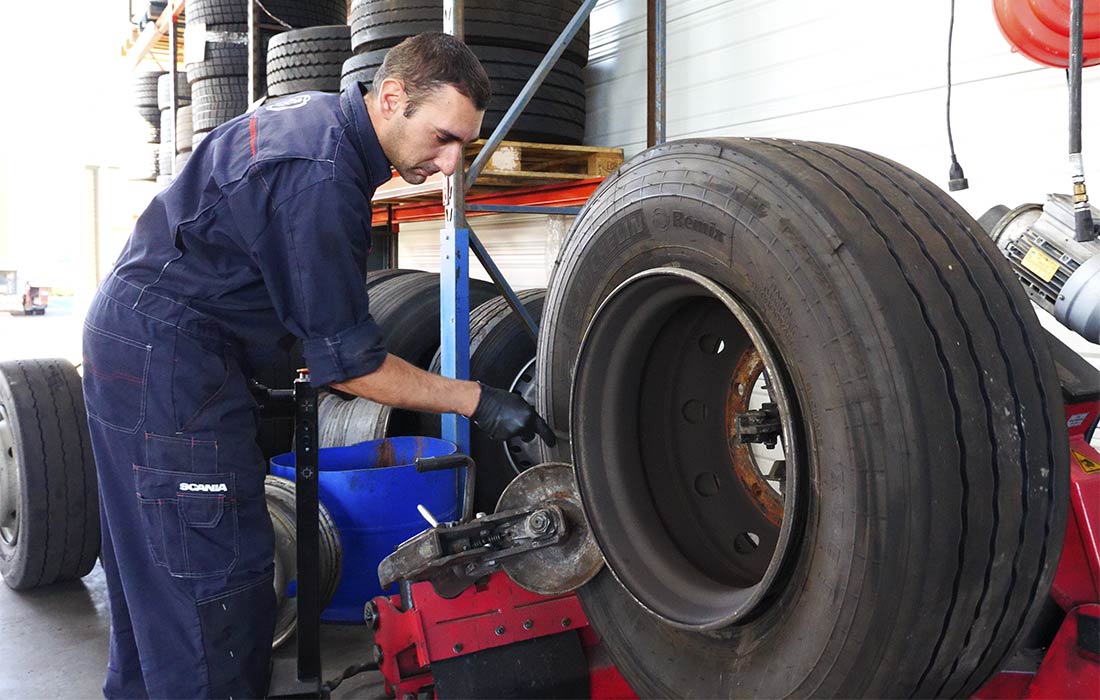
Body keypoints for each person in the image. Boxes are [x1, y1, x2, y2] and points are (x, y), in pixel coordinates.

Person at [82, 32, 554, 699]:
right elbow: (352, 368)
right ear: (391, 98)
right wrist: (478, 399)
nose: (452, 164)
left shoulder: (317, 122)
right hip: (170, 365)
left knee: (152, 572)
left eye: (464, 147)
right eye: (444, 138)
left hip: (137, 343)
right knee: (211, 586)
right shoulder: (323, 176)